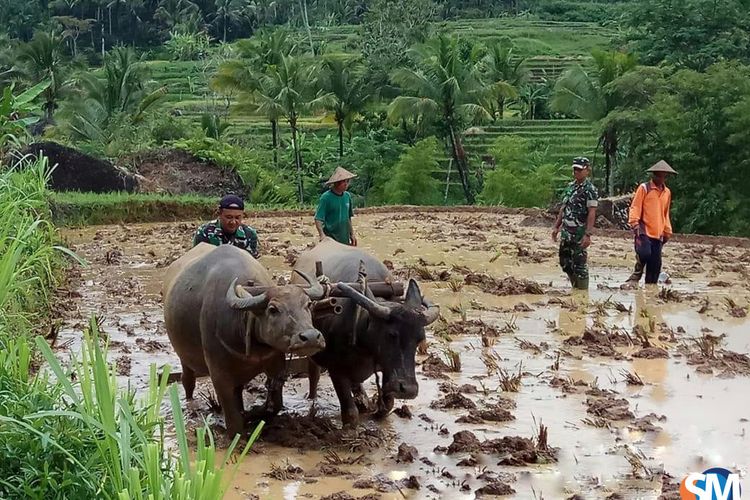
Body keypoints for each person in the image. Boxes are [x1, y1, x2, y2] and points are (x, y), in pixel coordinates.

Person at [625, 160, 677, 285]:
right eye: (657, 175)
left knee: (655, 264)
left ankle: (650, 291)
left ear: (665, 176)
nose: (659, 178)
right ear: (653, 175)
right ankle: (636, 274)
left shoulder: (667, 192)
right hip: (644, 229)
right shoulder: (644, 188)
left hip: (658, 231)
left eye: (662, 175)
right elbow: (636, 206)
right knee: (645, 253)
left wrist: (667, 230)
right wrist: (634, 222)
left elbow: (665, 213)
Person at [552, 157, 599, 290]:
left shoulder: (590, 190)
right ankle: (575, 287)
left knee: (580, 266)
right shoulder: (570, 187)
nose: (576, 172)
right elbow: (563, 208)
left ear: (587, 170)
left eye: (579, 169)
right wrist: (556, 226)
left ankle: (582, 293)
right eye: (574, 169)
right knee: (565, 262)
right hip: (566, 232)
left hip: (579, 233)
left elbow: (592, 212)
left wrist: (588, 234)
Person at [193, 194, 259, 258]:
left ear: (242, 216)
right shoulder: (204, 232)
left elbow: (251, 263)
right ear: (219, 214)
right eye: (229, 217)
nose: (233, 222)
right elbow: (198, 261)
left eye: (237, 218)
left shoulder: (250, 234)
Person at [315, 167, 357, 246]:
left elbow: (348, 218)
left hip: (344, 239)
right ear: (337, 183)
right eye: (343, 181)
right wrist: (322, 235)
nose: (346, 184)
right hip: (331, 239)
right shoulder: (326, 198)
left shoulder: (347, 196)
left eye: (347, 181)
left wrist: (352, 234)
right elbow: (318, 218)